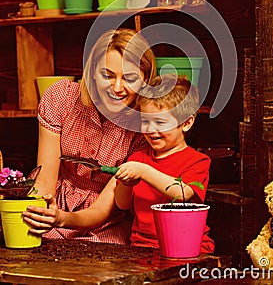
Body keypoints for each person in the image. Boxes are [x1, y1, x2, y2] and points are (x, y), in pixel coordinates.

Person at [25, 74, 214, 253]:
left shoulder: (196, 161)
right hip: (141, 246)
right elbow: (122, 204)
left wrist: (144, 172)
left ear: (187, 123)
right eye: (146, 122)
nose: (151, 130)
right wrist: (126, 183)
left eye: (160, 122)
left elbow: (183, 193)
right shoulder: (139, 157)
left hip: (188, 246)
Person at [24, 28, 157, 243]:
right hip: (54, 202)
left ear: (145, 79)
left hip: (103, 220)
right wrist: (42, 213)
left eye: (129, 78)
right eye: (108, 75)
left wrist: (64, 219)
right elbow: (45, 180)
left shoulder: (144, 126)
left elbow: (104, 207)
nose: (117, 87)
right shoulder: (63, 97)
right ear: (93, 72)